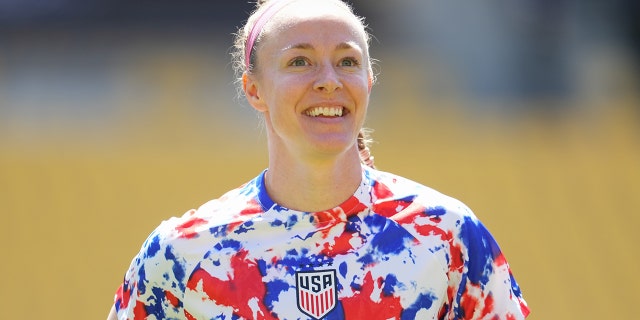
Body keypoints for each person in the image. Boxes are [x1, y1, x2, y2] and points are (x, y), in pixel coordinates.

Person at [107, 0, 530, 319]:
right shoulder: (182, 253)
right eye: (300, 61)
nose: (328, 81)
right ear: (254, 90)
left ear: (368, 80)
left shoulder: (448, 235)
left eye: (347, 61)